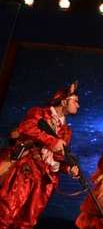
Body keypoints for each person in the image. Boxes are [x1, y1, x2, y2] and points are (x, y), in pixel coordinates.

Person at [0, 82, 81, 228]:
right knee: (6, 212)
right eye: (75, 101)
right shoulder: (39, 113)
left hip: (45, 179)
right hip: (27, 168)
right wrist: (51, 140)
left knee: (28, 220)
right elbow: (27, 127)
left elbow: (58, 157)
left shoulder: (66, 131)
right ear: (63, 101)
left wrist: (68, 168)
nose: (78, 105)